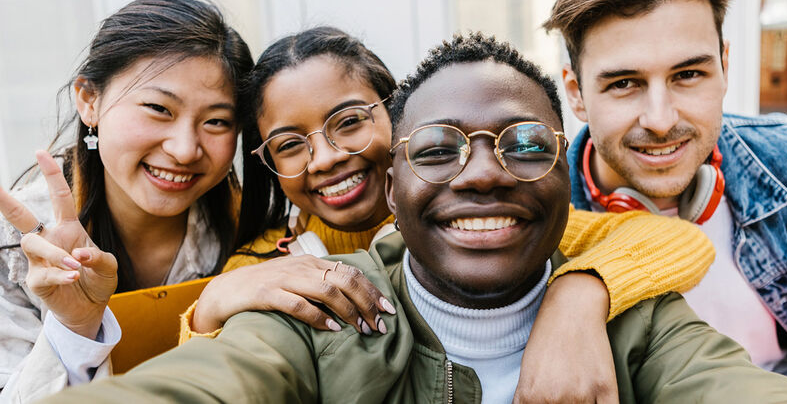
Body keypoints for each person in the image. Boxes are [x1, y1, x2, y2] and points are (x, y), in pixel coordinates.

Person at [38, 33, 787, 404]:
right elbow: (218, 377)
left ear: (387, 136)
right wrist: (214, 305)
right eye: (441, 149)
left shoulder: (628, 303)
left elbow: (659, 248)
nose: (482, 171)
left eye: (520, 146)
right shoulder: (306, 293)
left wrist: (583, 295)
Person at [181, 28, 712, 371]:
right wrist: (207, 311)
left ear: (401, 117)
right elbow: (231, 374)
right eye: (291, 145)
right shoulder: (263, 262)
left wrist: (579, 295)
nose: (323, 158)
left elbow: (672, 239)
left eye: (348, 122)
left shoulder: (483, 222)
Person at [540, 0, 787, 382]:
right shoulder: (543, 217)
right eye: (624, 83)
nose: (661, 120)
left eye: (688, 74)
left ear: (724, 66)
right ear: (576, 93)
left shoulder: (786, 158)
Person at [0, 0, 253, 401]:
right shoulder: (18, 244)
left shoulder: (253, 230)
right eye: (158, 108)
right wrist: (75, 326)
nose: (186, 149)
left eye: (217, 121)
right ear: (89, 100)